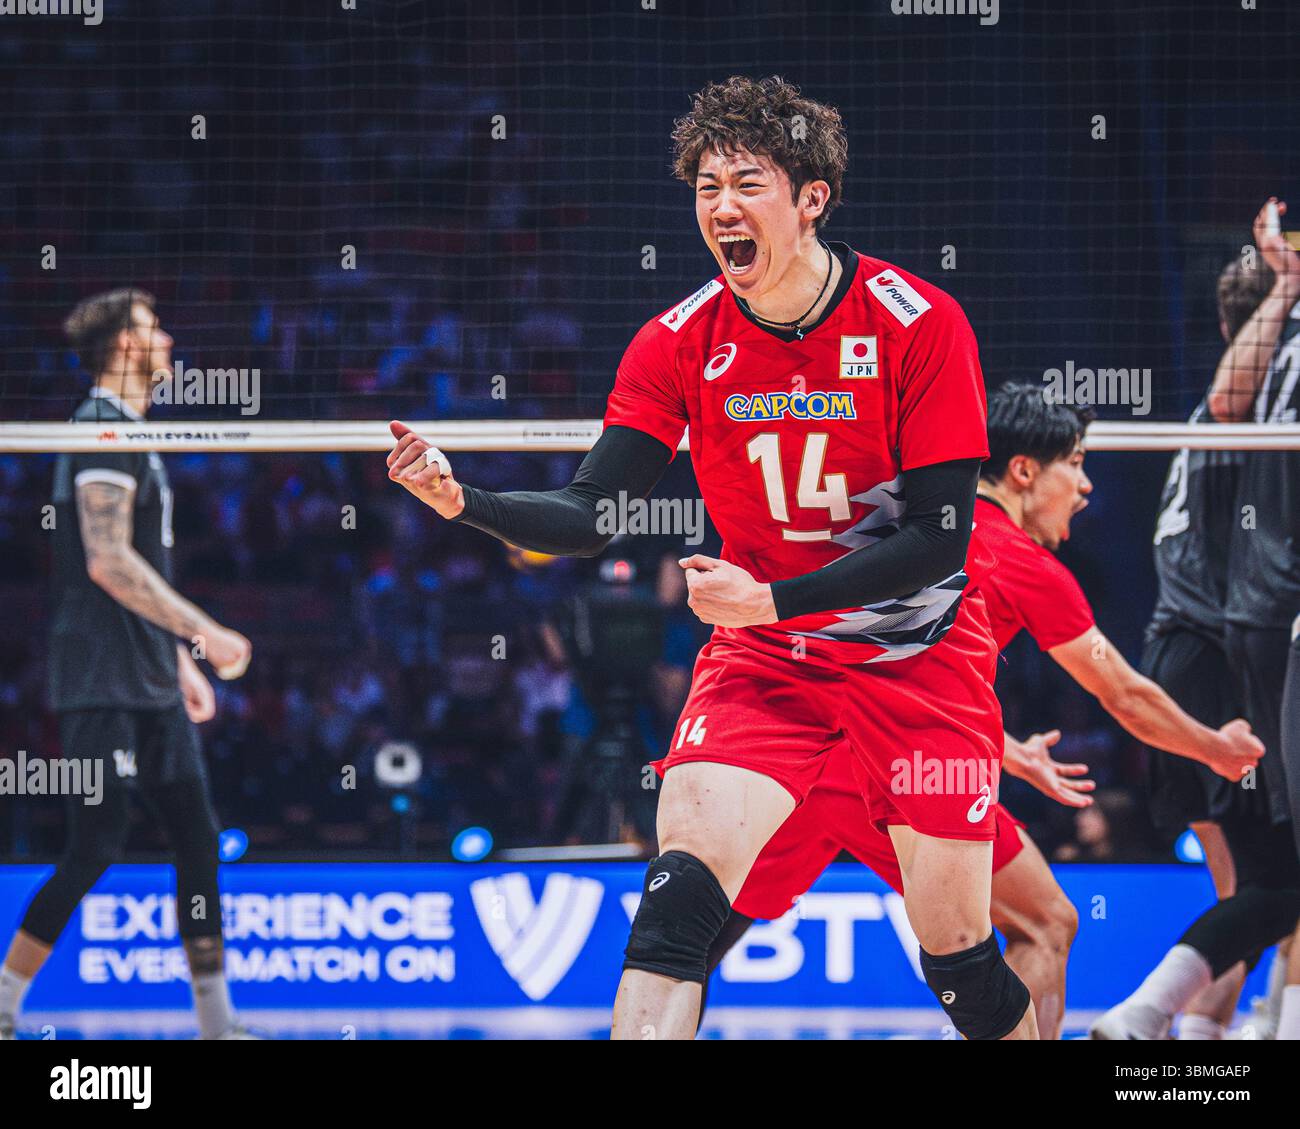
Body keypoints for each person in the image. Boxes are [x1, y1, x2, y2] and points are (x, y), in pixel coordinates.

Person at [390, 74, 1042, 1039]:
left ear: (811, 199)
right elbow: (591, 509)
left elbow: (941, 535)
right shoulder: (677, 340)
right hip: (766, 663)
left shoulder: (920, 323)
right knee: (676, 911)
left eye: (746, 183)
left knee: (960, 965)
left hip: (918, 660)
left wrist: (771, 598)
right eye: (705, 186)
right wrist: (464, 499)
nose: (721, 206)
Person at [701, 382, 1264, 1039]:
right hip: (895, 766)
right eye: (1076, 463)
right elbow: (1125, 693)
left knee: (700, 930)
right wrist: (1216, 747)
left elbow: (888, 659)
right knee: (1044, 921)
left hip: (804, 754)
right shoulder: (1020, 560)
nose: (1085, 488)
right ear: (1024, 470)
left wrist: (997, 746)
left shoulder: (911, 525)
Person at [0, 289, 254, 1041]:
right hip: (100, 681)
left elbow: (133, 566)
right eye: (152, 329)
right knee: (95, 844)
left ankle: (217, 1024)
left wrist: (176, 658)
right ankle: (6, 1005)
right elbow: (108, 561)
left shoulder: (135, 431)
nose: (168, 339)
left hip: (150, 681)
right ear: (122, 346)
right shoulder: (99, 427)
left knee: (198, 840)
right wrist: (209, 632)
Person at [1093, 199, 1300, 1040]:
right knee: (1275, 881)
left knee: (1253, 880)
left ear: (1220, 317)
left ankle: (1206, 1034)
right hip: (1219, 661)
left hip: (1173, 657)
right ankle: (1162, 1016)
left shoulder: (1201, 427)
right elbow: (1227, 400)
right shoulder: (1248, 419)